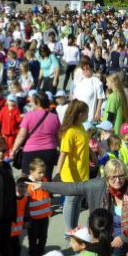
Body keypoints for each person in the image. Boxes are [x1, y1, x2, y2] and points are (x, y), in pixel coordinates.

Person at [40, 158, 128, 256]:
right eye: (113, 177)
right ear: (106, 178)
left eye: (121, 176)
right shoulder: (96, 186)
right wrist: (42, 186)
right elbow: (72, 187)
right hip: (101, 237)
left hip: (127, 239)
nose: (117, 180)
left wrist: (124, 238)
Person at [53, 99, 90, 231]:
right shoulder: (70, 132)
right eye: (86, 113)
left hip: (82, 171)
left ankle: (74, 228)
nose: (88, 115)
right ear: (80, 114)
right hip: (71, 173)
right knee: (71, 200)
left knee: (78, 200)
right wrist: (58, 173)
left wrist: (94, 158)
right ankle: (70, 230)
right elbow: (63, 154)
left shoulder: (81, 127)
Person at [9, 91, 60, 175]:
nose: (31, 104)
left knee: (28, 177)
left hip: (31, 151)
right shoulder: (54, 117)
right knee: (45, 177)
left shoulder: (28, 116)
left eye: (32, 102)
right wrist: (62, 150)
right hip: (49, 151)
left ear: (38, 102)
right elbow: (58, 137)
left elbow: (21, 136)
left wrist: (14, 150)